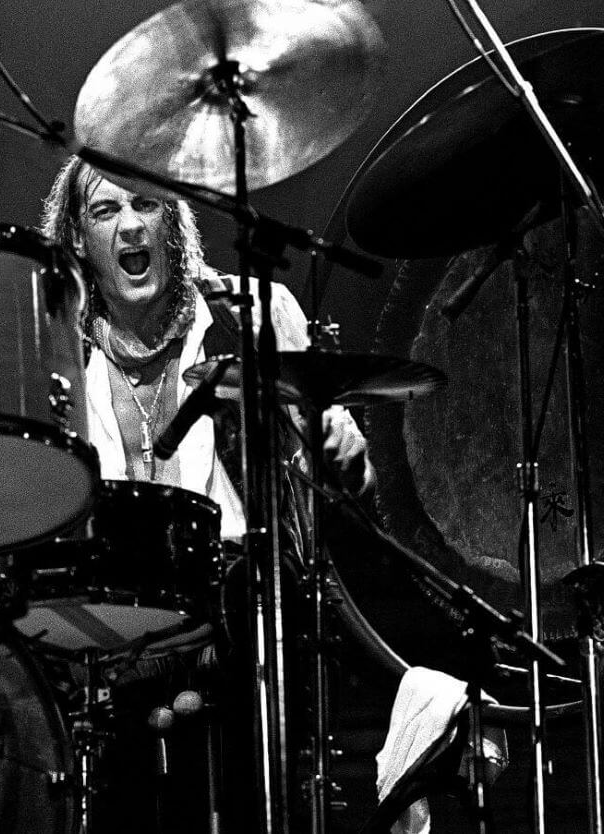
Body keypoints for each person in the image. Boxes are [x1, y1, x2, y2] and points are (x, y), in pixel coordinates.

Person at [40, 156, 374, 830]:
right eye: (107, 211)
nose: (131, 225)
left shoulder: (252, 314)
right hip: (112, 674)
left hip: (247, 647)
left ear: (174, 222)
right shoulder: (57, 358)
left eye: (148, 205)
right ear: (78, 239)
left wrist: (346, 456)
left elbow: (339, 493)